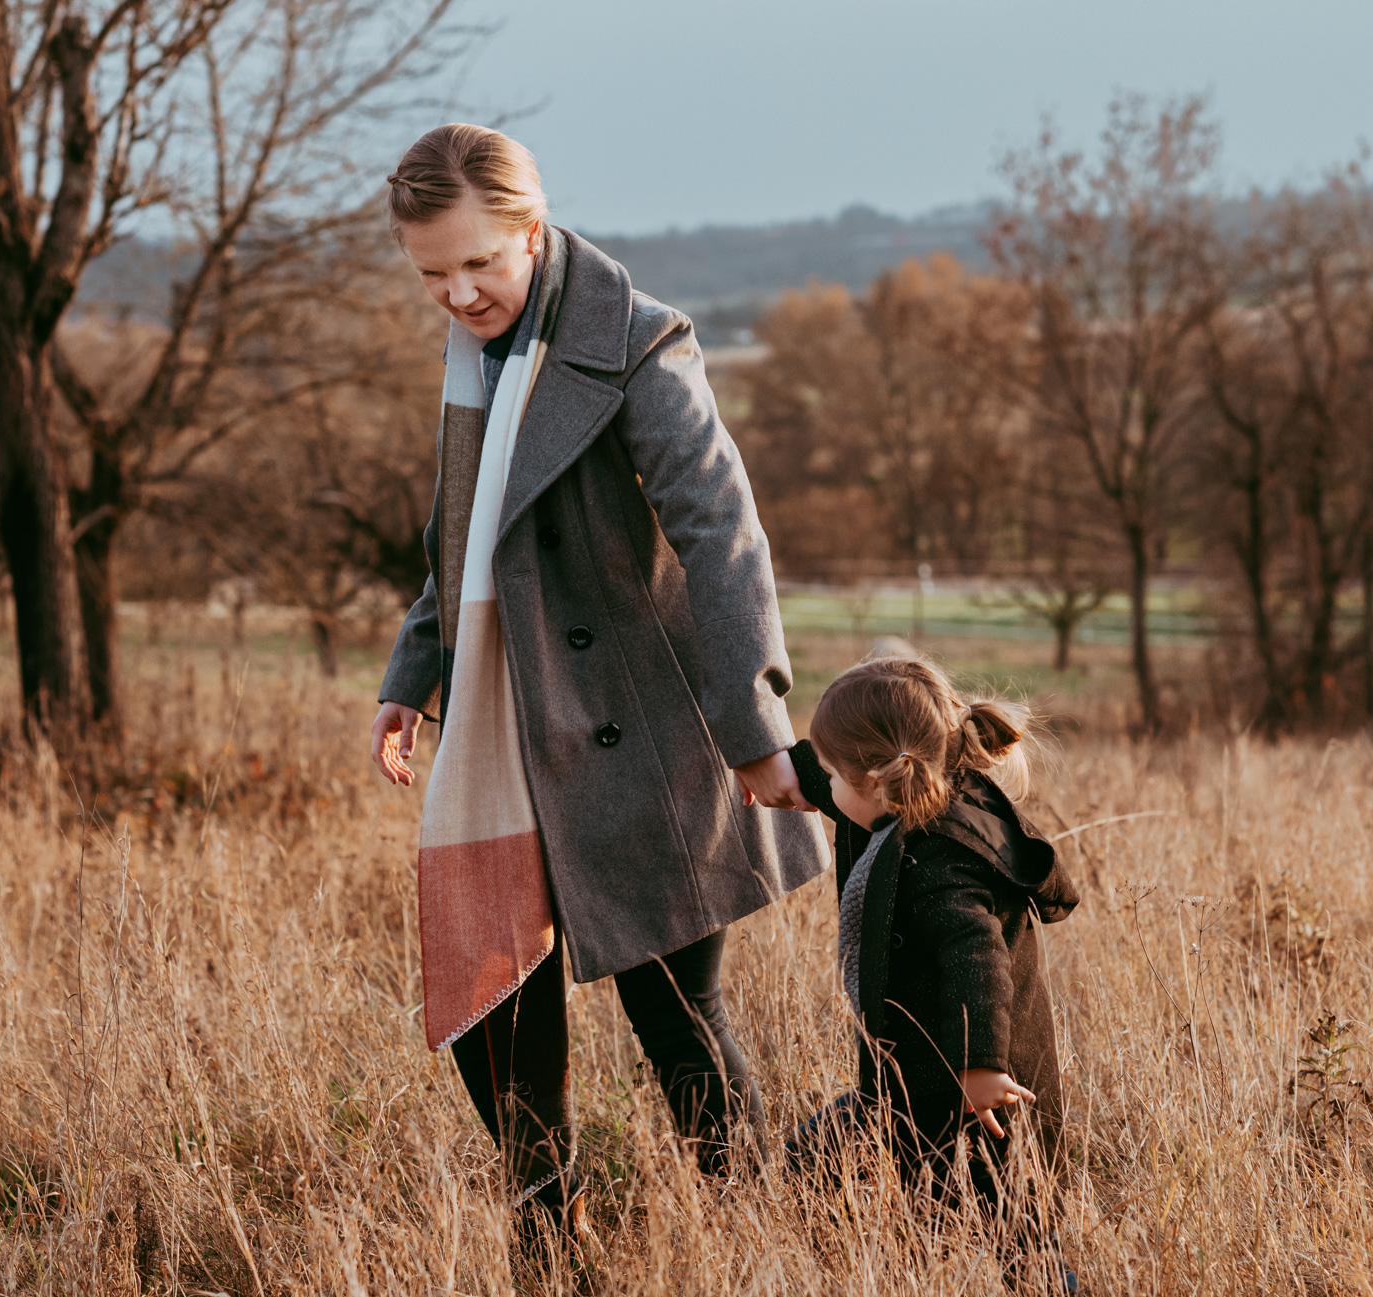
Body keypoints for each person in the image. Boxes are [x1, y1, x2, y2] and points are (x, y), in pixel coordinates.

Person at [367, 123, 827, 1242]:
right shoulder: (474, 363)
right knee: (495, 1014)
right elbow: (462, 537)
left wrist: (752, 723)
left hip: (645, 730)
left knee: (675, 1014)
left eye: (480, 262)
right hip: (503, 734)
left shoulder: (637, 343)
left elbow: (722, 531)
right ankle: (548, 1233)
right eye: (433, 273)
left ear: (533, 229)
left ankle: (742, 1235)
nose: (460, 293)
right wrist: (411, 675)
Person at [783, 654, 1079, 1289]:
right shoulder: (918, 801)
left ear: (876, 779)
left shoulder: (944, 860)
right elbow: (843, 791)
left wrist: (981, 1069)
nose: (827, 790)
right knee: (814, 1164)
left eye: (832, 776)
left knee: (1024, 1245)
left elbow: (980, 962)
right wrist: (793, 769)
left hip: (989, 1099)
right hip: (916, 1081)